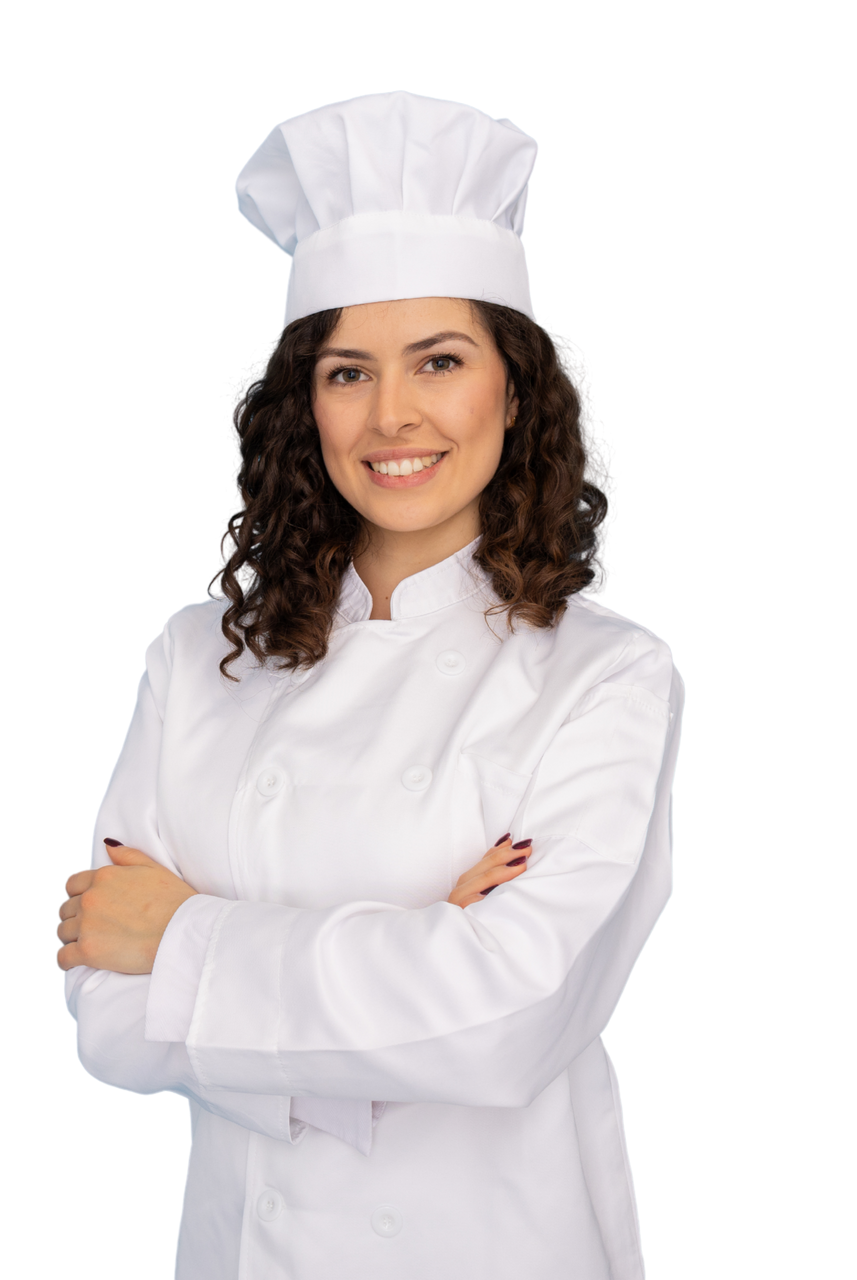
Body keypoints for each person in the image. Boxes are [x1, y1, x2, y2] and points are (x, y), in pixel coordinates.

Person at [56, 90, 685, 1279]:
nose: (390, 414)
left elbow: (506, 1027)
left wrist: (185, 936)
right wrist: (417, 950)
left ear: (513, 383)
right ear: (307, 402)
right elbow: (106, 1019)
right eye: (347, 371)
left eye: (438, 361)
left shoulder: (607, 673)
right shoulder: (198, 655)